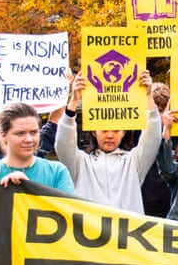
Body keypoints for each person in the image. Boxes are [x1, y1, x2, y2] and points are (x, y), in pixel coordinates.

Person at [56, 69, 162, 213]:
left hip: (126, 234)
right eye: (104, 130)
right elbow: (63, 144)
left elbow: (153, 138)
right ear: (94, 131)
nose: (110, 135)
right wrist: (74, 101)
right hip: (89, 233)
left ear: (124, 133)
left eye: (116, 131)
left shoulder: (134, 162)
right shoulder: (80, 163)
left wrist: (148, 97)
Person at [0, 101, 75, 193]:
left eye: (33, 132)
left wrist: (29, 189)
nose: (28, 139)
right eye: (20, 133)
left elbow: (70, 211)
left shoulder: (57, 173)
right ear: (3, 135)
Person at [141, 81, 173, 218]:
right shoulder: (137, 137)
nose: (160, 116)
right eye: (155, 110)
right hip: (144, 206)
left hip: (171, 207)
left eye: (161, 109)